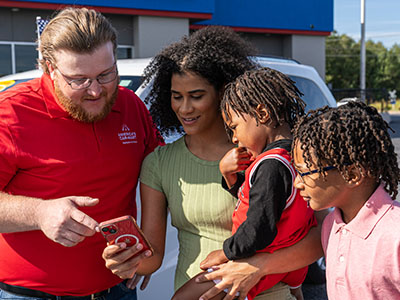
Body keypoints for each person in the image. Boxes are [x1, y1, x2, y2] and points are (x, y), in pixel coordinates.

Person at [103, 26, 326, 300]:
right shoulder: (159, 163)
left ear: (223, 93)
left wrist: (255, 267)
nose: (185, 108)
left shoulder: (269, 159)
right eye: (176, 96)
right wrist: (126, 259)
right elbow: (153, 258)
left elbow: (320, 236)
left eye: (196, 96)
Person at [0, 7, 161, 300]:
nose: (96, 91)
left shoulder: (129, 105)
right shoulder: (10, 113)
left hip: (117, 291)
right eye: (79, 80)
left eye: (106, 74)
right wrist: (39, 213)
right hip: (30, 295)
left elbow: (163, 175)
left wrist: (150, 248)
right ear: (49, 68)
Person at [171, 68, 317, 300]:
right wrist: (230, 177)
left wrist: (226, 252)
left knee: (182, 298)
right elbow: (267, 200)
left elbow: (259, 226)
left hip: (256, 261)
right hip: (289, 267)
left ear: (262, 113)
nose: (234, 138)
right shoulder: (297, 158)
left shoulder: (270, 165)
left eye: (235, 127)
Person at [291, 101, 400, 299]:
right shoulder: (331, 225)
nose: (297, 183)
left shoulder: (395, 233)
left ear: (352, 175)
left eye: (304, 172)